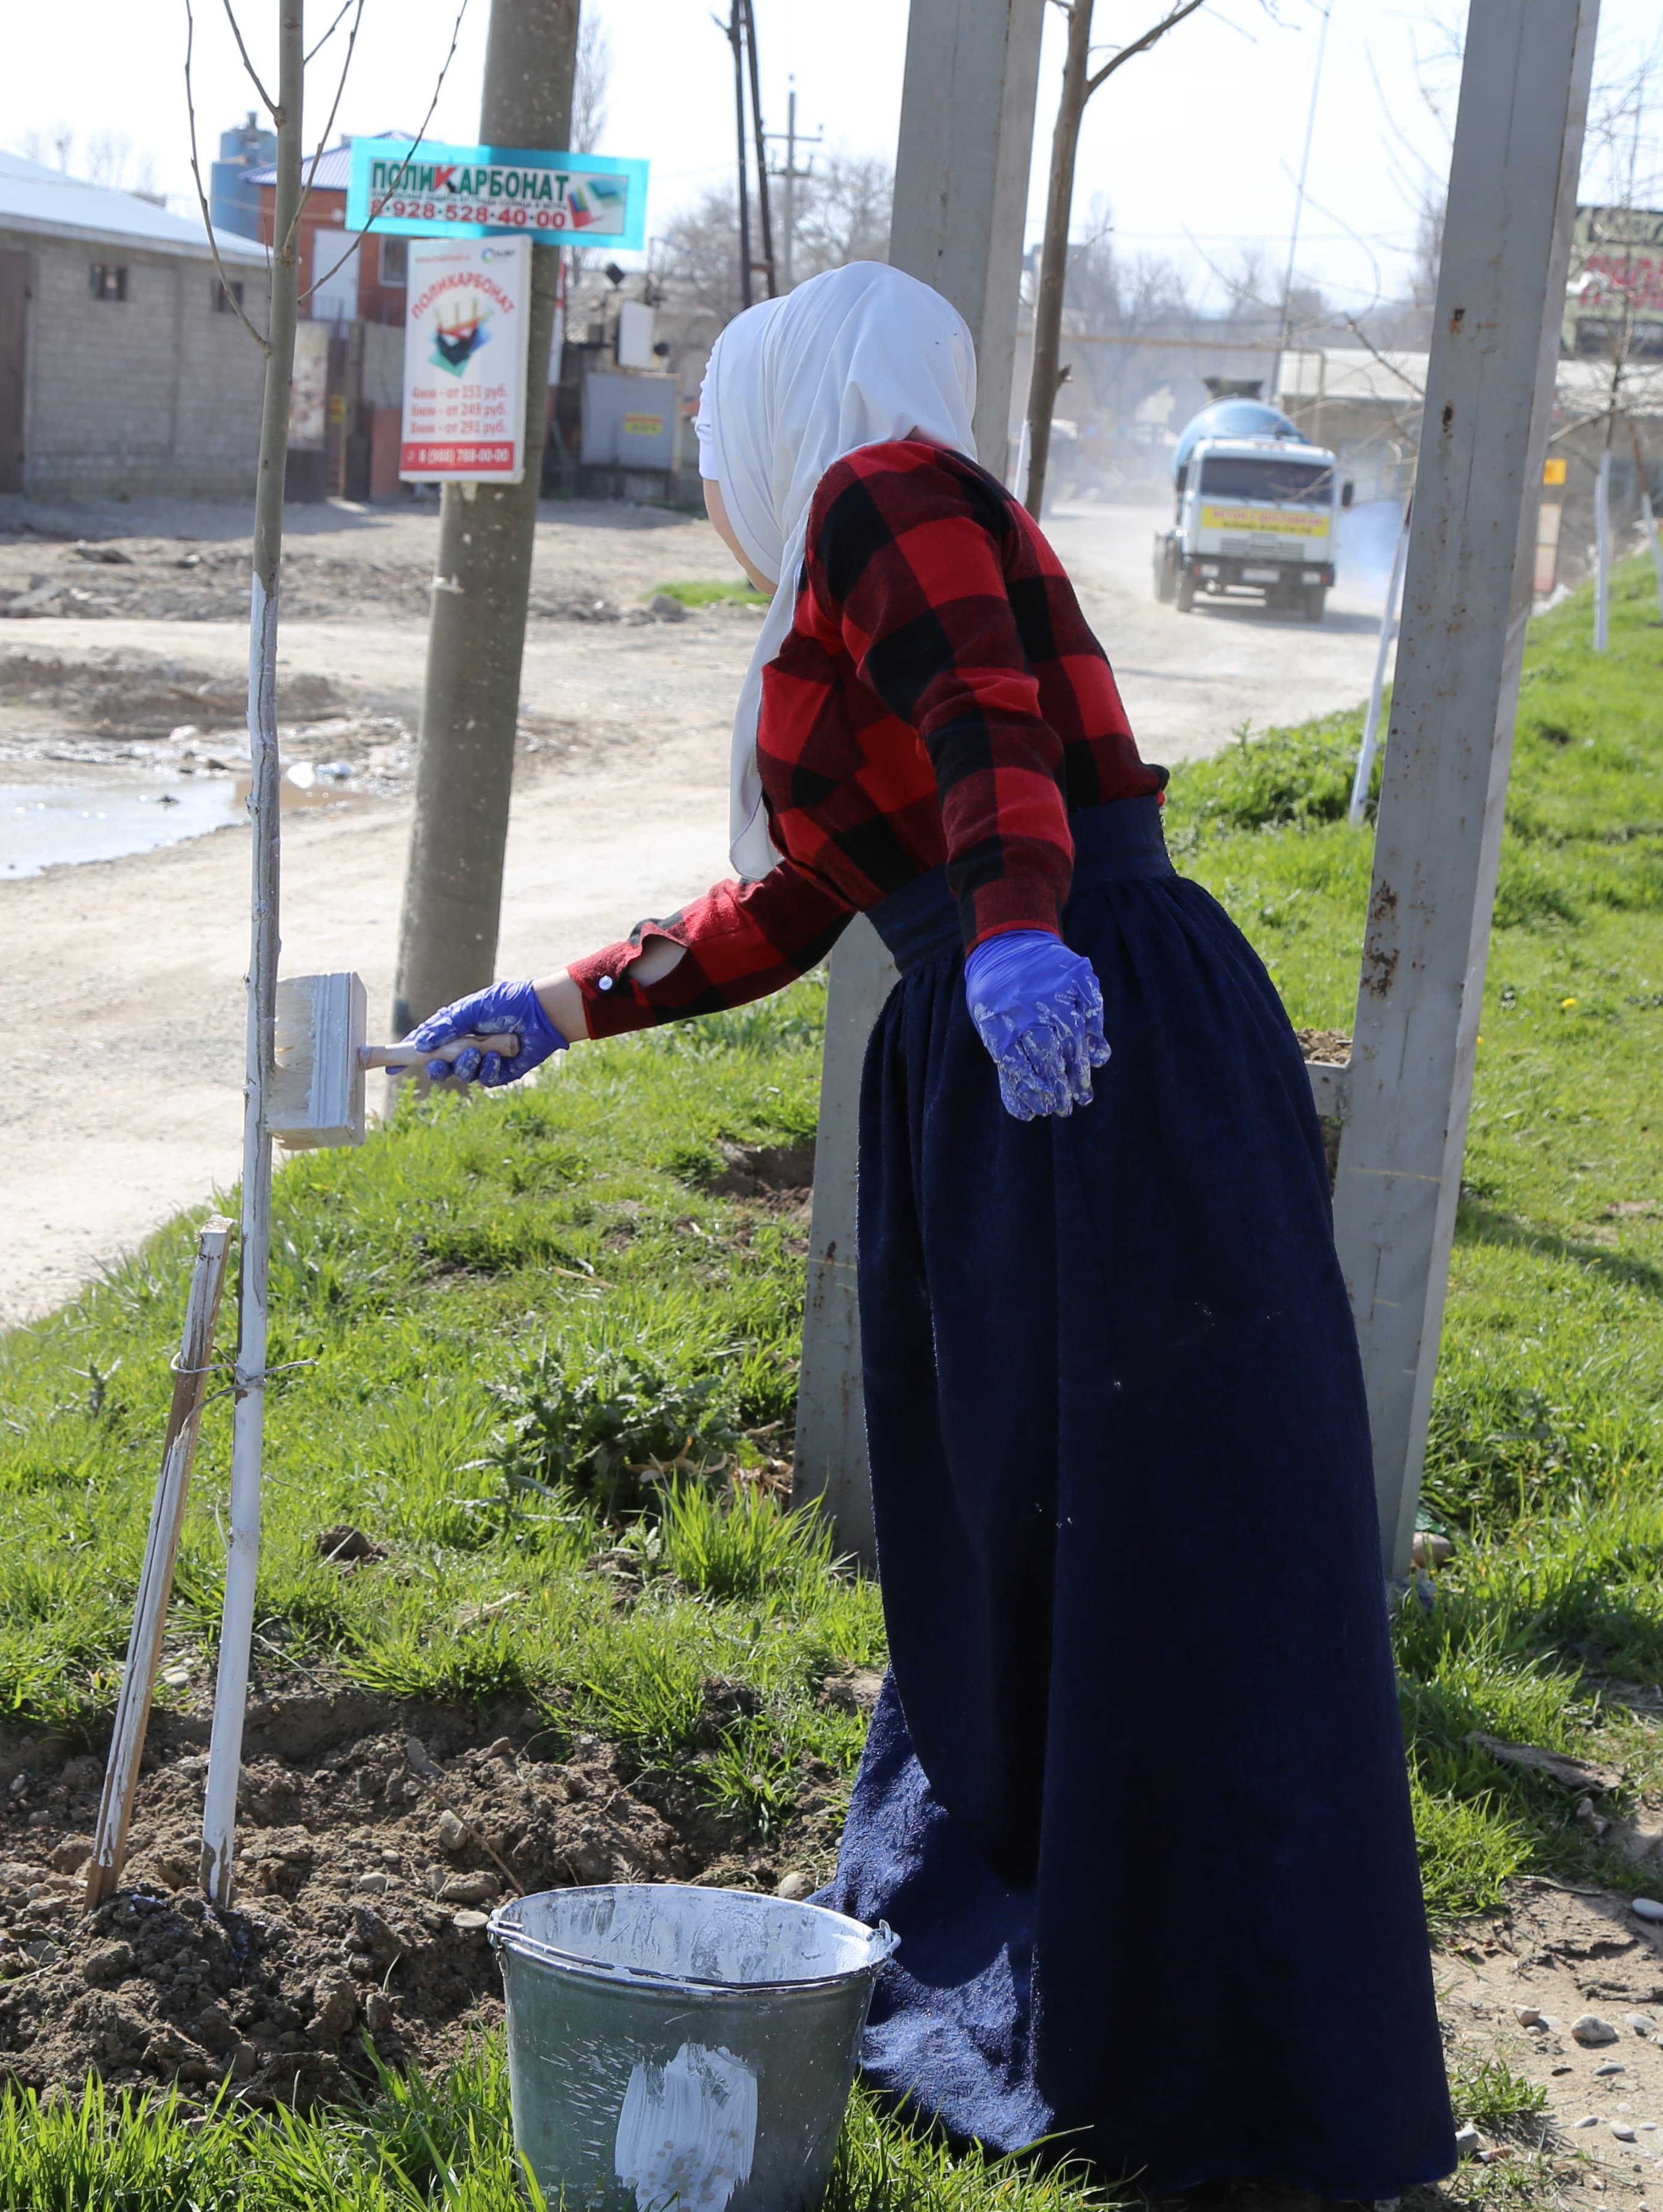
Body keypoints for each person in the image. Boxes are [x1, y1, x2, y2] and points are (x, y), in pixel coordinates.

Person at [405, 261, 1451, 2197]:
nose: (723, 476)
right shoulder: (847, 577)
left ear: (776, 410)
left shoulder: (890, 492)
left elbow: (994, 726)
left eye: (722, 438)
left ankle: (1206, 2049)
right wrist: (560, 1006)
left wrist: (1026, 922)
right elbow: (796, 899)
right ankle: (1088, 1987)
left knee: (1146, 1527)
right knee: (1027, 1531)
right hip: (1008, 1042)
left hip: (1079, 1038)